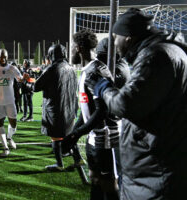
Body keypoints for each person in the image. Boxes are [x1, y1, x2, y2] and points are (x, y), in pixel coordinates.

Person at [87, 8, 187, 199]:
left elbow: (126, 104)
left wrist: (102, 87)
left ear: (128, 37)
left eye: (116, 37)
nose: (113, 43)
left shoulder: (156, 56)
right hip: (158, 169)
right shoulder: (169, 51)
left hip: (157, 175)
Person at [62, 30, 125, 200]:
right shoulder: (86, 70)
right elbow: (87, 112)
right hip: (92, 137)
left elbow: (102, 110)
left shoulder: (96, 71)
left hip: (106, 137)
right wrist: (74, 134)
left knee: (109, 184)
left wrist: (75, 133)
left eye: (73, 47)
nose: (72, 51)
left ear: (79, 48)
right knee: (95, 179)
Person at [32, 44, 78, 170]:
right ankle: (78, 159)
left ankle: (59, 164)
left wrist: (27, 81)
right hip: (69, 108)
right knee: (69, 135)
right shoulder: (71, 68)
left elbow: (36, 87)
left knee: (55, 136)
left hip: (56, 108)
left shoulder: (52, 68)